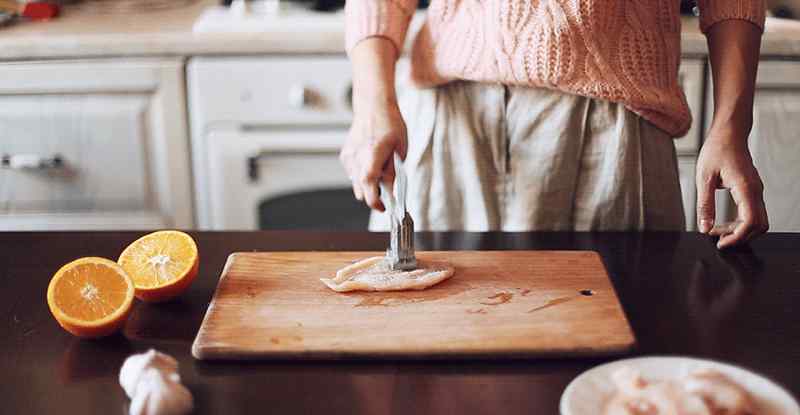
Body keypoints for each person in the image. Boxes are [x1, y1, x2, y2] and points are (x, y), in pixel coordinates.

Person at [339, 0, 769, 249]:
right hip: (449, 118)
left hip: (613, 126)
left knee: (618, 363)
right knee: (425, 343)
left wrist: (731, 125)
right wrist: (372, 104)